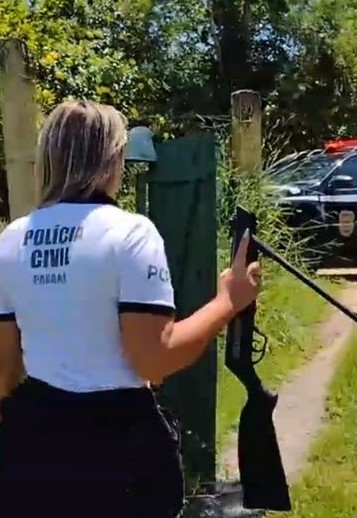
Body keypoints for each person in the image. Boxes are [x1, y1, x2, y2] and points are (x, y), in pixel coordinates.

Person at [0, 100, 261, 518]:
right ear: (111, 159)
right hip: (117, 450)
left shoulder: (11, 240)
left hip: (32, 447)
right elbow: (154, 357)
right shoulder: (131, 233)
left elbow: (5, 374)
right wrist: (228, 300)